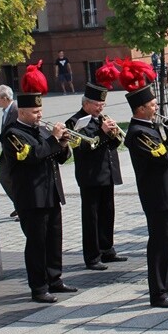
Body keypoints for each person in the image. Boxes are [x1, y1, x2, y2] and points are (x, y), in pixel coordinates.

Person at [124, 66, 168, 308]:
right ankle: (158, 292)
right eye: (152, 105)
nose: (156, 108)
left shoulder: (149, 127)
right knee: (160, 244)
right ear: (140, 108)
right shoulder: (138, 133)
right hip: (156, 195)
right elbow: (164, 156)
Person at [2, 88, 75, 303]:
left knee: (54, 239)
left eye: (40, 110)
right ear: (22, 112)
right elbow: (31, 156)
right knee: (37, 243)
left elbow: (57, 159)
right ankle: (39, 287)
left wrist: (62, 144)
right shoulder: (12, 134)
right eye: (35, 112)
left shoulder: (41, 131)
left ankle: (54, 279)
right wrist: (53, 139)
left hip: (50, 193)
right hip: (31, 198)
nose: (40, 115)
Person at [65, 83, 126, 271]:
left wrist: (113, 133)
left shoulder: (102, 119)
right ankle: (92, 256)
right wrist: (102, 132)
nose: (101, 108)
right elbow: (83, 148)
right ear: (86, 104)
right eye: (98, 104)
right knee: (92, 217)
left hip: (107, 172)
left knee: (108, 212)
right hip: (90, 176)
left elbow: (113, 144)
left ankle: (107, 249)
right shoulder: (74, 122)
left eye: (103, 105)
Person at [0, 84, 18, 216]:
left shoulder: (15, 110)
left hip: (15, 153)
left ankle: (22, 206)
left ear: (4, 98)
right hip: (7, 153)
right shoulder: (6, 111)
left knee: (10, 178)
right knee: (3, 177)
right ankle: (19, 204)